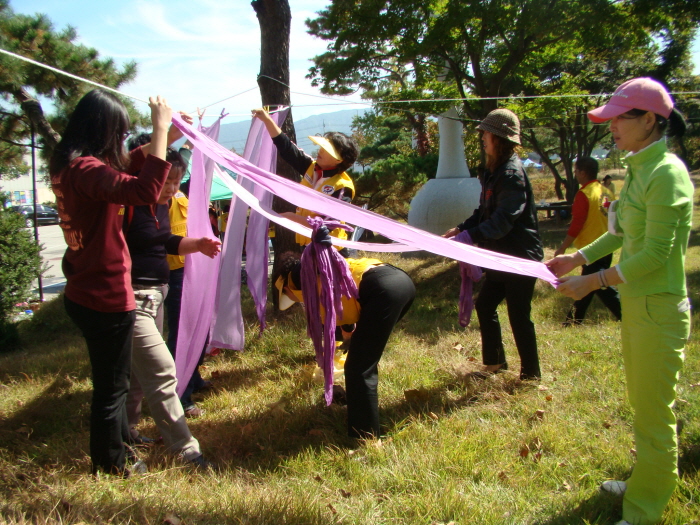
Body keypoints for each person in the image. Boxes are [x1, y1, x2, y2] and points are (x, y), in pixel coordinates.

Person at [546, 77, 693, 525]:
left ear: (649, 120)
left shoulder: (667, 172)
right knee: (643, 404)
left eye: (618, 118)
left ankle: (645, 509)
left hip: (660, 308)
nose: (610, 126)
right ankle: (646, 478)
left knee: (654, 415)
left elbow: (657, 254)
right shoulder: (639, 168)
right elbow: (620, 234)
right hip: (639, 306)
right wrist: (578, 257)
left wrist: (595, 281)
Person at [49, 89, 172, 476]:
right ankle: (111, 464)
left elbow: (128, 168)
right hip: (103, 297)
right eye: (118, 133)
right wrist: (160, 128)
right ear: (102, 131)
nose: (121, 141)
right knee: (111, 388)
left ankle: (123, 440)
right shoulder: (86, 170)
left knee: (114, 382)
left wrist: (168, 134)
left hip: (84, 290)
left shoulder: (73, 167)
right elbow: (142, 189)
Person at [123, 147, 221, 469]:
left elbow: (166, 240)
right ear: (149, 177)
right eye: (167, 183)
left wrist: (199, 245)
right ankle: (185, 449)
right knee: (162, 369)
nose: (173, 190)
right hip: (131, 297)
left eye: (178, 183)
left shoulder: (161, 207)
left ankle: (128, 432)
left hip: (155, 294)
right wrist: (165, 126)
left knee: (139, 374)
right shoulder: (130, 203)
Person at [275, 221, 415, 438]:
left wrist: (318, 240)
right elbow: (345, 308)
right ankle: (360, 407)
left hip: (381, 289)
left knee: (359, 368)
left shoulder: (296, 277)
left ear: (285, 286)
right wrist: (349, 333)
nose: (293, 299)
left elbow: (315, 263)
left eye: (288, 295)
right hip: (399, 282)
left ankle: (366, 437)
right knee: (362, 359)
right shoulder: (316, 289)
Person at [444, 109, 543, 380]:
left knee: (519, 315)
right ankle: (495, 364)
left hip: (520, 257)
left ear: (499, 138)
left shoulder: (511, 174)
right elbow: (484, 212)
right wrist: (462, 228)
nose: (482, 138)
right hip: (499, 256)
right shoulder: (493, 171)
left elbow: (502, 222)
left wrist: (468, 237)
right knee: (486, 305)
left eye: (486, 133)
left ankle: (532, 375)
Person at [251, 107, 358, 250]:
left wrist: (291, 217)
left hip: (331, 250)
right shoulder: (311, 167)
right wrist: (267, 119)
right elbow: (286, 148)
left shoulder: (342, 187)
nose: (320, 150)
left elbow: (328, 224)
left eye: (327, 149)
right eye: (322, 146)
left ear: (339, 160)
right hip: (308, 246)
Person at [554, 157, 621, 325]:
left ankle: (625, 314)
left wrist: (562, 247)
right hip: (608, 244)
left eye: (576, 171)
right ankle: (573, 321)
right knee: (589, 284)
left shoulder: (584, 194)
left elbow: (577, 224)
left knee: (602, 287)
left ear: (583, 173)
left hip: (591, 248)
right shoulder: (606, 191)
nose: (575, 174)